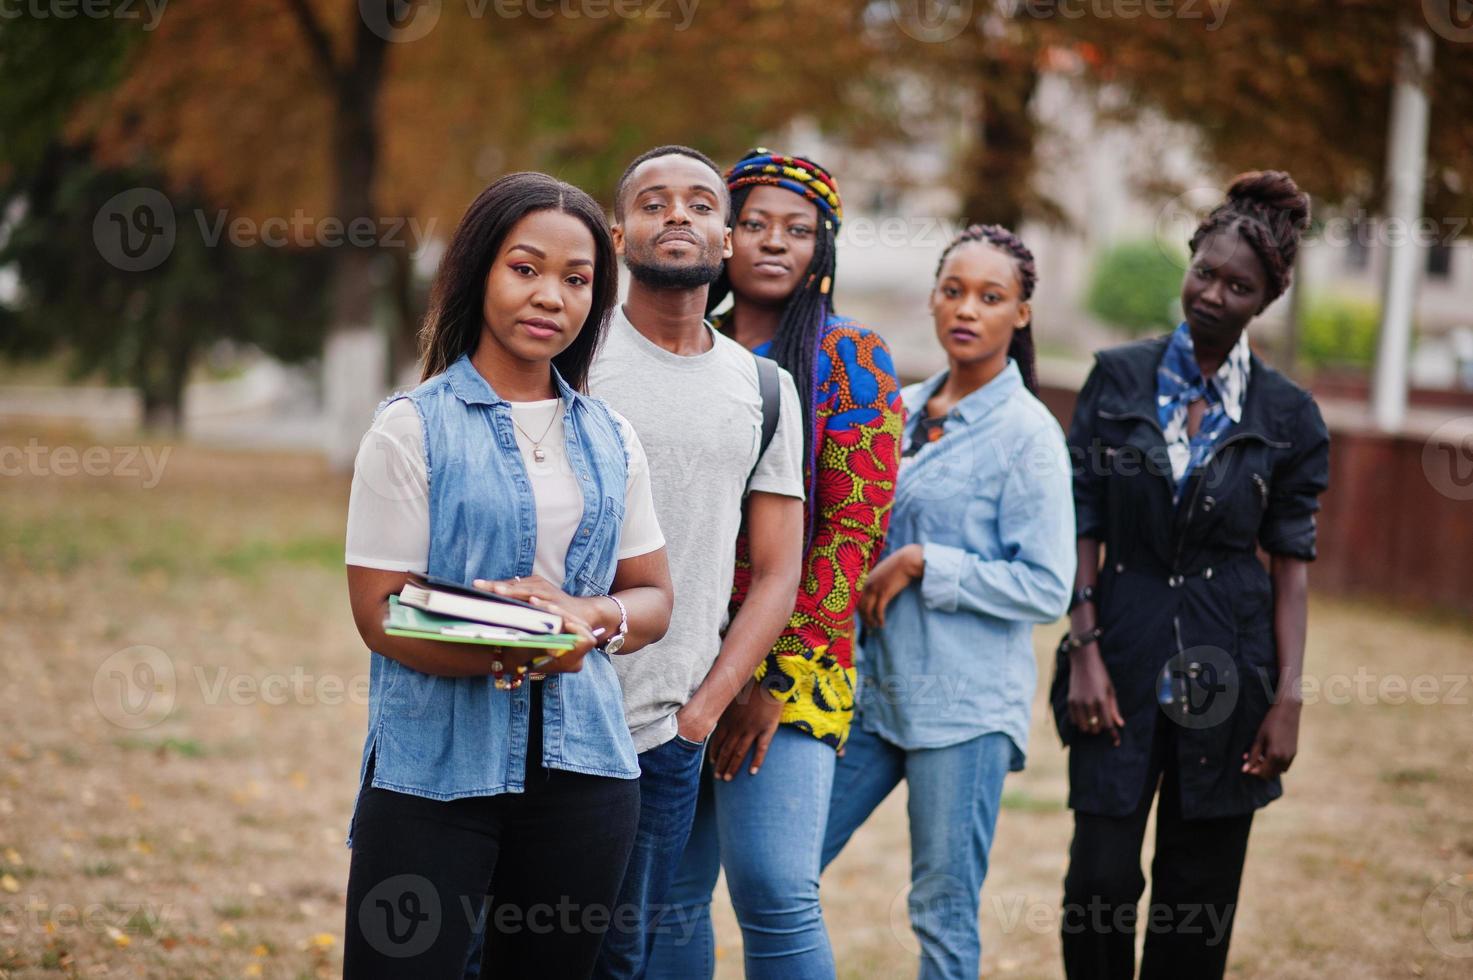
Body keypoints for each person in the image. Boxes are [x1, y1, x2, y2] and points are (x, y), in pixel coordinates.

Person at [341, 171, 673, 978]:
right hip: (433, 774)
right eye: (525, 269)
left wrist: (587, 619)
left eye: (576, 279)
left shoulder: (611, 436)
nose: (550, 297)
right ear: (478, 271)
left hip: (585, 776)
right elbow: (380, 613)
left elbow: (652, 596)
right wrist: (520, 645)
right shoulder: (409, 429)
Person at [1057, 171, 1330, 979]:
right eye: (1203, 271)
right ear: (1188, 262)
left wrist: (1286, 700)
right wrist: (1083, 647)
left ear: (1264, 300)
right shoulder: (1116, 377)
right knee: (1099, 879)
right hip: (1120, 645)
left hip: (1230, 666)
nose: (1212, 294)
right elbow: (1083, 517)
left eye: (1237, 285)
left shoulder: (1288, 417)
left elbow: (1290, 568)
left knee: (1197, 891)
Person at [647, 148, 903, 979]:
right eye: (752, 223)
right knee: (667, 895)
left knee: (773, 886)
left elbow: (847, 542)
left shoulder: (852, 359)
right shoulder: (687, 348)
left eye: (796, 230)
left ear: (821, 250)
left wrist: (770, 681)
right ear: (722, 236)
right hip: (672, 655)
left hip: (793, 666)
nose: (771, 243)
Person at [820, 224, 1076, 980]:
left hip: (962, 710)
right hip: (868, 695)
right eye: (953, 291)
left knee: (940, 911)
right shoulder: (892, 410)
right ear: (932, 298)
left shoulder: (1028, 435)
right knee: (782, 865)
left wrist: (926, 562)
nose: (966, 309)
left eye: (989, 297)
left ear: (1020, 315)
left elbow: (1045, 585)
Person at [587, 145, 808, 979]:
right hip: (543, 706)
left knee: (622, 958)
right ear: (616, 236)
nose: (676, 214)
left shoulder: (763, 389)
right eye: (653, 202)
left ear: (726, 242)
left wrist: (701, 713)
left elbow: (778, 570)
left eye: (699, 204)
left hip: (662, 734)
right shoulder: (571, 357)